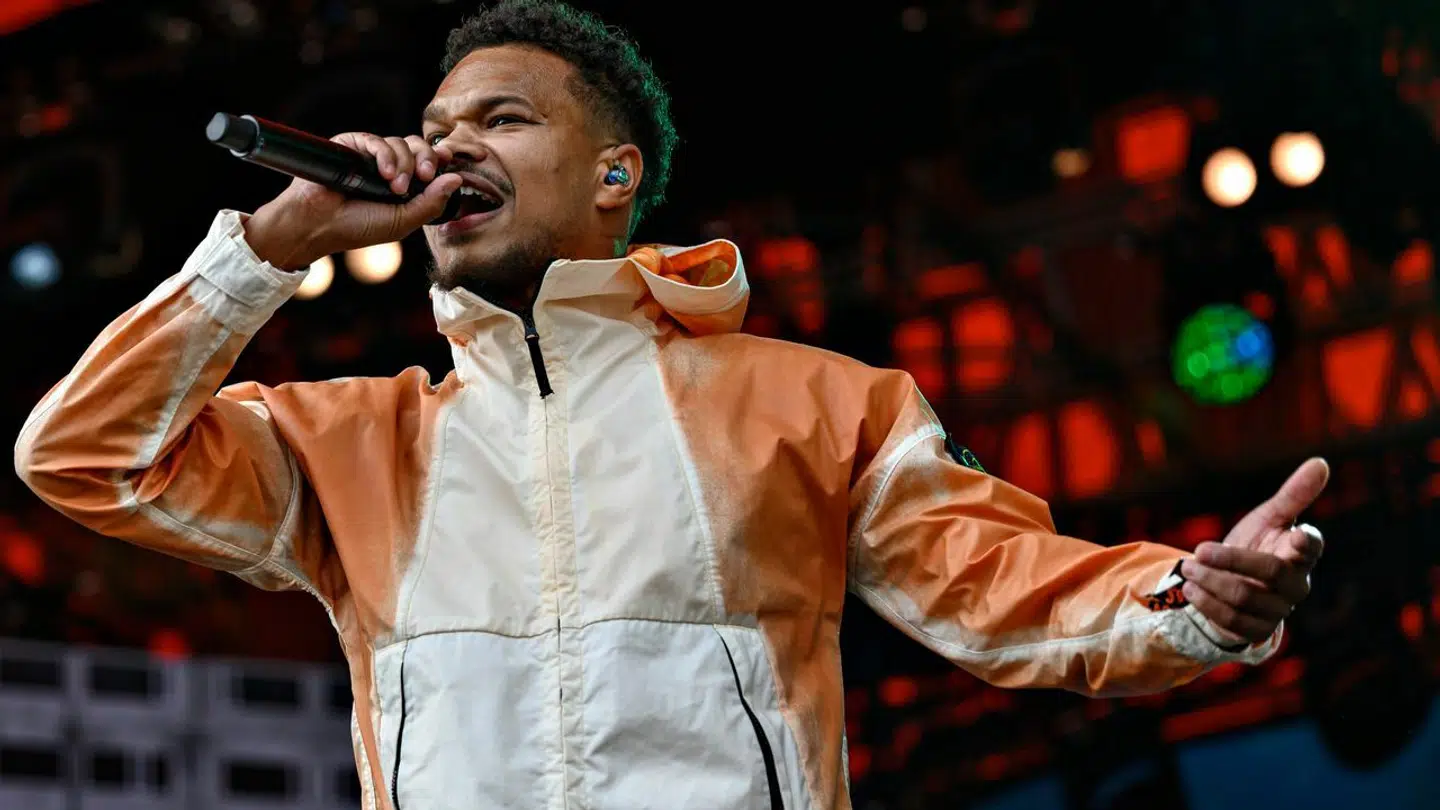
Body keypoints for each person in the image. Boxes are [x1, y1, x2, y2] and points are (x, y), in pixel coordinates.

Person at [13, 2, 1328, 808]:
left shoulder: (812, 402)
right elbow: (82, 457)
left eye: (504, 118)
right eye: (434, 123)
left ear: (612, 174)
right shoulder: (350, 439)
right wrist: (269, 245)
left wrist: (1189, 601)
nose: (450, 145)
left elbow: (1005, 585)